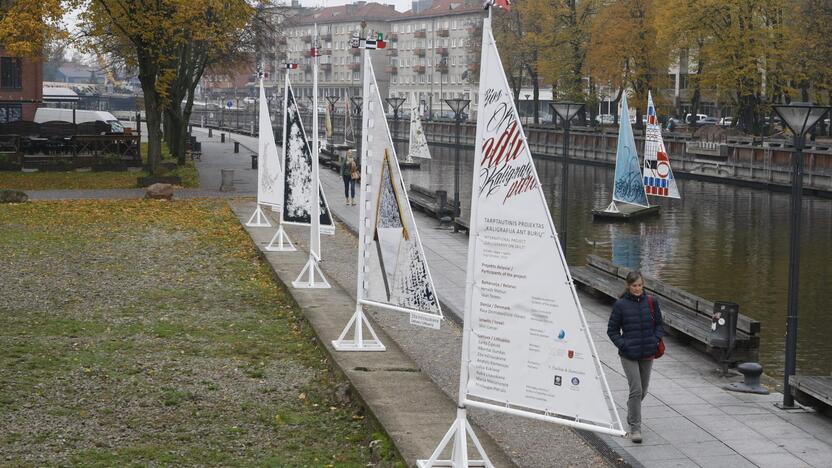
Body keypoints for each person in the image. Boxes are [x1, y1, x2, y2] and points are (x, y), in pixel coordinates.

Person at [607, 271, 664, 444]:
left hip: (647, 353)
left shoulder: (652, 302)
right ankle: (635, 428)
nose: (637, 288)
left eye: (640, 285)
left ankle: (632, 411)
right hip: (629, 354)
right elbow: (612, 331)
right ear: (628, 286)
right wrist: (623, 345)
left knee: (643, 390)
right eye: (634, 286)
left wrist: (655, 340)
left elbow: (660, 325)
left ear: (643, 284)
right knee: (636, 389)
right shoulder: (620, 305)